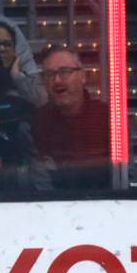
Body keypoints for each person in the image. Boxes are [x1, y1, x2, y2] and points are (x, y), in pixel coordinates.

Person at [32, 49, 109, 190]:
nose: (57, 81)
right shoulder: (38, 121)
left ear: (83, 76)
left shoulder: (108, 117)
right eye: (49, 74)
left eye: (65, 72)